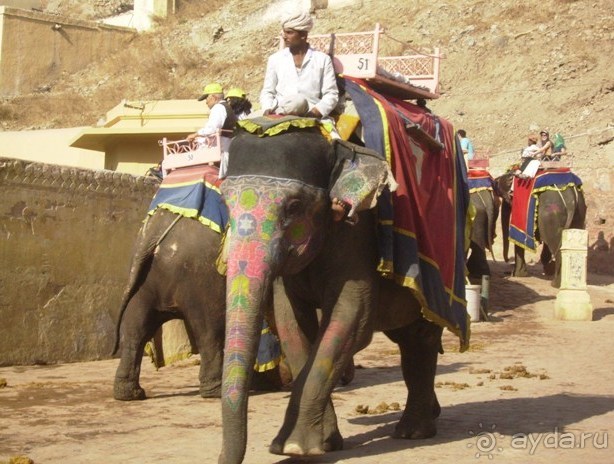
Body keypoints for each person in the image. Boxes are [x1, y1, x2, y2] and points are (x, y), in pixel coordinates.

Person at [260, 11, 339, 118]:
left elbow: (331, 94)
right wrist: (267, 108)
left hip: (310, 111)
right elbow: (268, 91)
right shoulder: (275, 59)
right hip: (279, 110)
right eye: (284, 32)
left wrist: (317, 111)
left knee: (298, 102)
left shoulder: (322, 59)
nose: (284, 37)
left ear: (303, 35)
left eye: (289, 33)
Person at [186, 82, 237, 178]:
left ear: (214, 98)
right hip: (226, 148)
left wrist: (195, 134)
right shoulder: (226, 107)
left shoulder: (218, 108)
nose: (206, 102)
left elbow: (212, 129)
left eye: (206, 98)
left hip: (219, 150)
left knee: (183, 147)